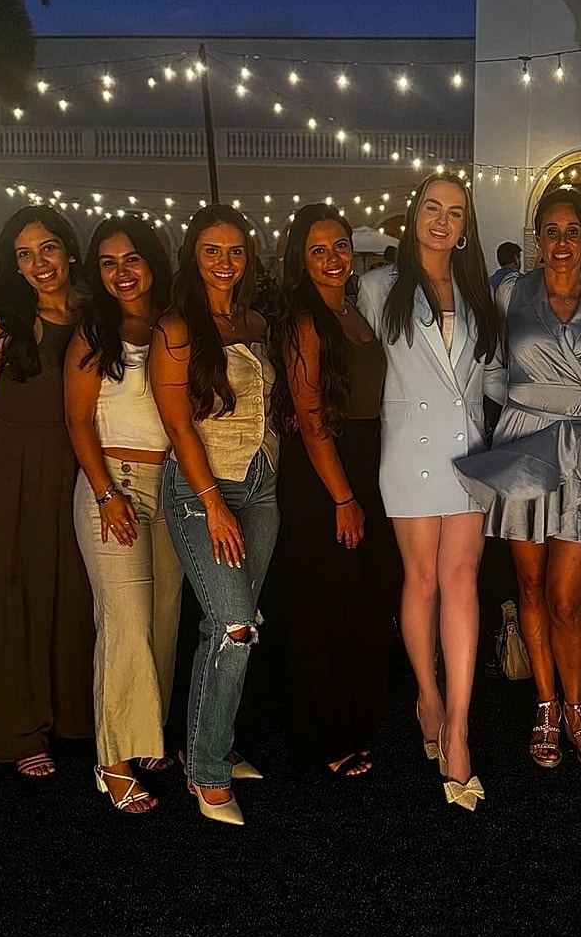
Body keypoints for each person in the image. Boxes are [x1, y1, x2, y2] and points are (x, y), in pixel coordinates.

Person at [457, 186, 581, 778]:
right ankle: (546, 706)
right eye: (550, 232)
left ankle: (578, 709)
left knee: (566, 598)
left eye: (571, 232)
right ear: (538, 238)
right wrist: (522, 408)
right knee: (529, 590)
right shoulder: (510, 291)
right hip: (524, 444)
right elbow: (487, 366)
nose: (561, 243)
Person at [357, 175, 502, 811]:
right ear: (413, 215)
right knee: (423, 581)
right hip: (410, 451)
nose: (441, 220)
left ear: (466, 225)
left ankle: (461, 726)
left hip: (470, 453)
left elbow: (492, 374)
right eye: (431, 208)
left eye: (454, 212)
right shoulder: (377, 287)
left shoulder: (478, 290)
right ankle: (427, 696)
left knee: (463, 580)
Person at [150, 204, 280, 826]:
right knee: (232, 624)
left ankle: (214, 746)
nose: (225, 262)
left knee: (237, 627)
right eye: (211, 250)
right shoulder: (177, 327)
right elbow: (177, 424)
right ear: (192, 256)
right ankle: (204, 773)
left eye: (235, 251)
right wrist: (210, 505)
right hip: (203, 489)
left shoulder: (254, 319)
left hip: (260, 486)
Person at [0, 206, 94, 777]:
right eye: (25, 254)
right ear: (13, 264)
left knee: (70, 589)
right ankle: (14, 728)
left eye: (49, 249)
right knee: (6, 594)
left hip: (76, 465)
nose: (40, 263)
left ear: (69, 250)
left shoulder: (94, 312)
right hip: (8, 466)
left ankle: (69, 713)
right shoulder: (1, 322)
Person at [272, 205, 399, 778]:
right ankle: (322, 738)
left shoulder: (353, 309)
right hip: (326, 472)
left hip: (368, 462)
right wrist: (344, 498)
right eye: (319, 249)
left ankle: (354, 723)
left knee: (364, 602)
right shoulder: (304, 319)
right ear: (300, 257)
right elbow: (309, 414)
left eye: (340, 246)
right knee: (323, 607)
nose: (333, 258)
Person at [63, 216, 182, 813]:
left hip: (173, 487)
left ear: (154, 261)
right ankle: (112, 761)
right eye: (108, 263)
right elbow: (78, 422)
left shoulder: (171, 325)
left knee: (163, 619)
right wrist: (107, 493)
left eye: (131, 259)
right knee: (126, 623)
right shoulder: (94, 332)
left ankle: (149, 735)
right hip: (115, 484)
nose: (121, 273)